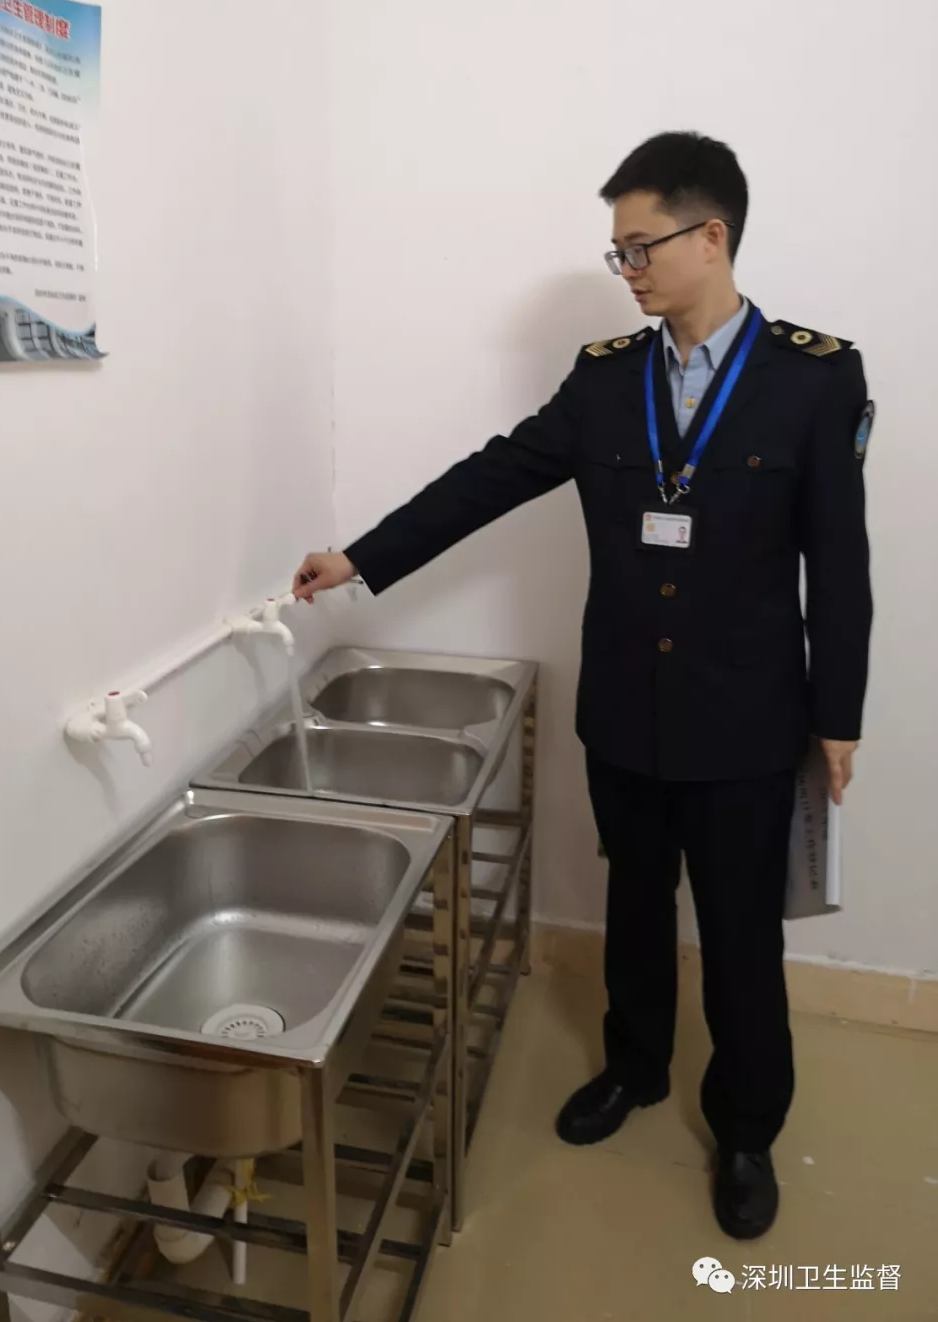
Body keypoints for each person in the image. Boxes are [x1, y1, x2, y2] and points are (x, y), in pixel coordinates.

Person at [291, 132, 873, 1241]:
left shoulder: (813, 376)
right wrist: (363, 556)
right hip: (626, 708)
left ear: (713, 237)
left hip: (750, 721)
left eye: (640, 246)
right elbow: (497, 473)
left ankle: (747, 1126)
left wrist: (837, 715)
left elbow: (838, 564)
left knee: (743, 938)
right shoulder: (607, 379)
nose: (628, 269)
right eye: (618, 251)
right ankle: (635, 1067)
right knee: (634, 908)